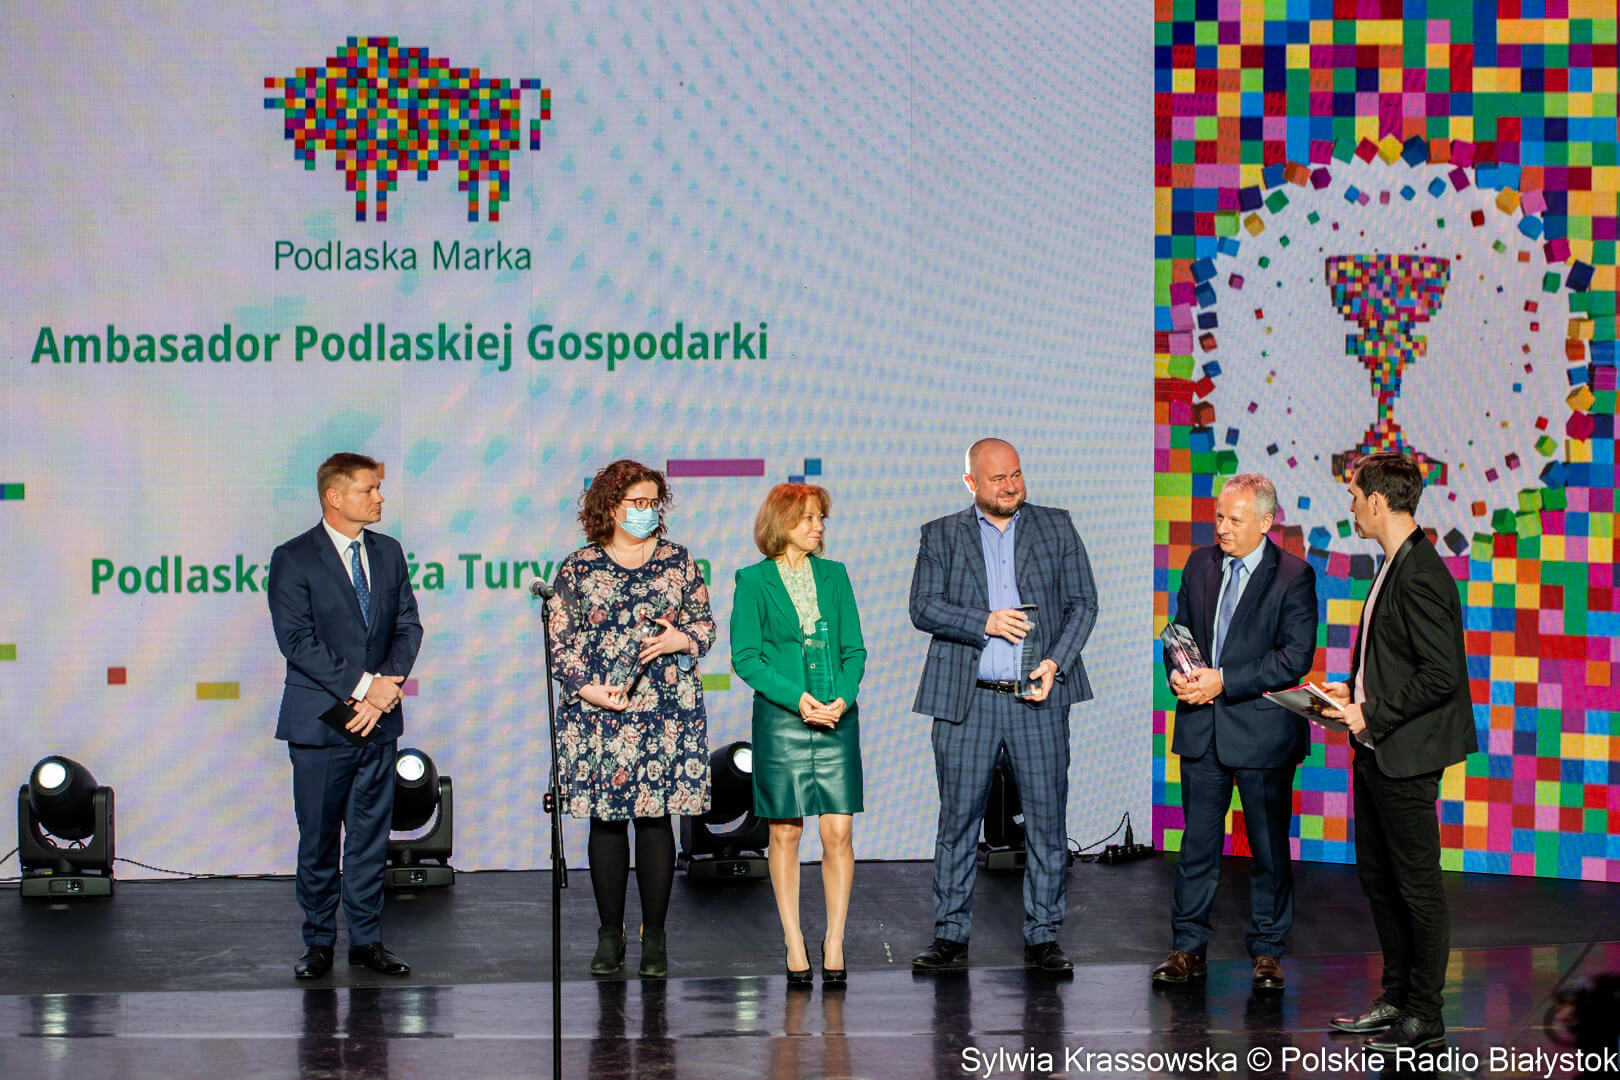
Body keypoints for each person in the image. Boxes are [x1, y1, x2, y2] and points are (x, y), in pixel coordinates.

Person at [908, 438, 1099, 974]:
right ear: (971, 483)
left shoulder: (1057, 526)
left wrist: (1056, 662)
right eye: (998, 478)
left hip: (1037, 698)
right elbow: (922, 607)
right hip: (967, 700)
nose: (1011, 485)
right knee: (957, 822)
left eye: (1016, 474)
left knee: (1046, 821)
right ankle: (950, 936)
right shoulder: (941, 535)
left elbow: (1084, 603)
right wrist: (985, 622)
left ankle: (1043, 936)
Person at [1321, 452, 1476, 1050]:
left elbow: (1442, 674)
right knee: (1380, 880)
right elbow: (1396, 659)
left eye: (1355, 496)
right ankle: (1397, 997)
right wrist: (1350, 689)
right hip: (1376, 748)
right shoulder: (1394, 563)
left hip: (1404, 754)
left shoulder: (1422, 573)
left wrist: (1373, 711)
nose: (1351, 506)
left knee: (1417, 887)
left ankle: (1425, 1014)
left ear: (1379, 502)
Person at [547, 459, 715, 978]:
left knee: (656, 819)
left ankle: (655, 935)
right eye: (636, 503)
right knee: (607, 819)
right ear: (610, 507)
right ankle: (610, 933)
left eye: (652, 503)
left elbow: (705, 628)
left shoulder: (678, 561)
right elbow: (559, 643)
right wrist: (588, 689)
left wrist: (680, 638)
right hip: (601, 712)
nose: (646, 511)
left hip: (665, 711)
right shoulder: (578, 567)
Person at [1153, 473, 1318, 990]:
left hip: (1263, 736)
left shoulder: (1294, 575)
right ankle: (1187, 947)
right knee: (1197, 846)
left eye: (1235, 520)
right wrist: (1179, 675)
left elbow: (1294, 658)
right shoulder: (1199, 564)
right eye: (1220, 517)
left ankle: (1268, 951)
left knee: (1268, 849)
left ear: (1266, 522)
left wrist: (1222, 681)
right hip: (1202, 729)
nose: (1222, 528)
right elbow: (1179, 633)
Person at [269, 452, 423, 979]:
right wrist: (363, 687)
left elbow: (408, 626)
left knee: (369, 839)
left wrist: (383, 691)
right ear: (334, 497)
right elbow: (297, 640)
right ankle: (317, 943)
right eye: (368, 489)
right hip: (320, 722)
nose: (379, 497)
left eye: (378, 489)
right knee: (318, 840)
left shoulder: (388, 552)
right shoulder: (293, 558)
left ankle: (367, 941)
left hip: (378, 721)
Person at [731, 484, 868, 985]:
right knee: (785, 832)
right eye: (808, 517)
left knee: (838, 831)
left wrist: (842, 698)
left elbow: (854, 651)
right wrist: (798, 699)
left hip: (835, 716)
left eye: (821, 518)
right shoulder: (752, 581)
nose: (818, 526)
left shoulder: (835, 575)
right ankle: (793, 939)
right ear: (780, 523)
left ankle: (834, 939)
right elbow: (746, 658)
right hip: (783, 718)